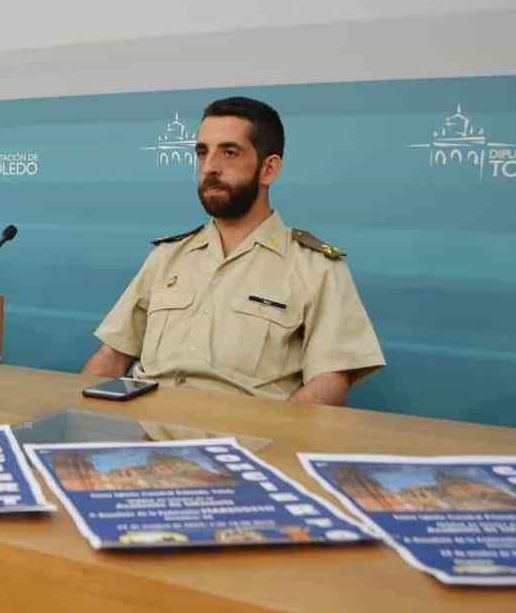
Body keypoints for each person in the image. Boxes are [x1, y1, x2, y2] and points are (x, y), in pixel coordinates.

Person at [83, 97, 385, 406]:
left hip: (244, 442)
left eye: (229, 152)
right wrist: (83, 419)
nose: (210, 167)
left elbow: (330, 381)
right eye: (203, 152)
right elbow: (112, 355)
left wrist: (279, 437)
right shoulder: (168, 256)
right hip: (144, 436)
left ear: (268, 169)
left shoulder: (315, 266)